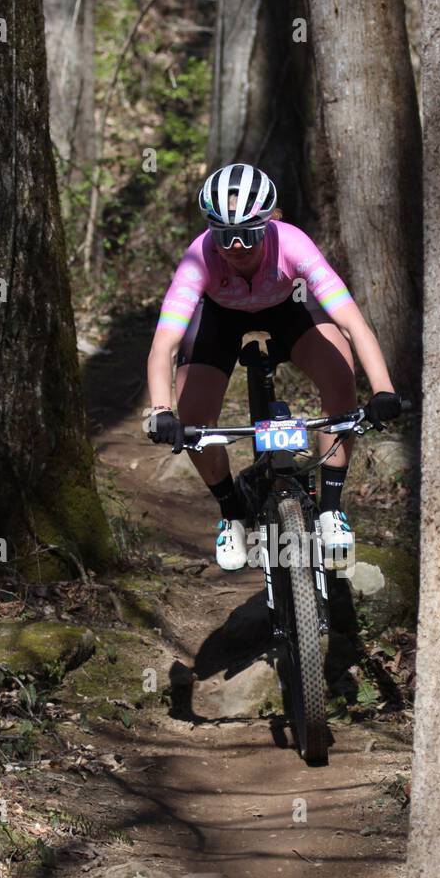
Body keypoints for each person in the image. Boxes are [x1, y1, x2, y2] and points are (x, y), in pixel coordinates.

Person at [145, 162, 401, 571]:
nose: (236, 247)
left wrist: (384, 390)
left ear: (268, 224)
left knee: (339, 378)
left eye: (247, 235)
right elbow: (165, 343)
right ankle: (231, 512)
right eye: (224, 235)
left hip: (289, 310)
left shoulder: (293, 245)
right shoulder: (199, 258)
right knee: (194, 416)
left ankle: (331, 508)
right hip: (219, 319)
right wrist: (161, 411)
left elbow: (352, 322)